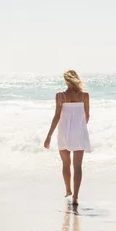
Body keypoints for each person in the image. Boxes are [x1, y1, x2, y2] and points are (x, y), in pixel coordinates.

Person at [44, 70, 91, 205]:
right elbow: (87, 116)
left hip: (64, 131)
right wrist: (80, 128)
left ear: (66, 81)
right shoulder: (85, 96)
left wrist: (48, 136)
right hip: (79, 132)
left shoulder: (60, 96)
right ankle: (76, 196)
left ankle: (68, 190)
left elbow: (57, 116)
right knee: (77, 165)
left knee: (66, 164)